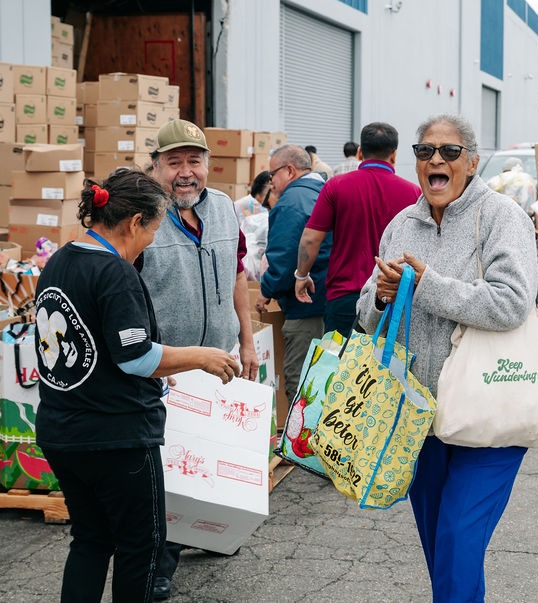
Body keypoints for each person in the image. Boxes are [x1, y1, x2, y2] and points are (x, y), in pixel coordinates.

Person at [34, 169, 241, 603]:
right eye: (152, 229)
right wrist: (200, 356)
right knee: (141, 547)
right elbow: (136, 357)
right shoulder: (115, 273)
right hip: (116, 437)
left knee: (90, 539)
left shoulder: (60, 259)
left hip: (61, 431)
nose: (151, 240)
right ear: (133, 223)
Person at [357, 114, 538, 602]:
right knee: (441, 546)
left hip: (489, 412)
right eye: (424, 151)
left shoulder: (501, 217)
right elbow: (367, 311)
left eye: (449, 152)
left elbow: (512, 303)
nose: (435, 160)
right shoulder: (402, 224)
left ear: (472, 162)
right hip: (420, 415)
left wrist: (425, 285)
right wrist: (380, 298)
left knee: (458, 536)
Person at [140, 119, 260, 601]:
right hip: (167, 365)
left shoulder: (226, 209)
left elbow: (236, 277)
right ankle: (160, 560)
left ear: (208, 165)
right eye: (174, 163)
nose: (185, 173)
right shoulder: (141, 215)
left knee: (214, 455)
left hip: (221, 359)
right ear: (157, 168)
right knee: (169, 468)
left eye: (194, 161)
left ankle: (208, 531)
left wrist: (247, 340)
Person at [294, 122, 421, 337]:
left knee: (340, 366)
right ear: (394, 155)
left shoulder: (336, 186)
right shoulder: (413, 192)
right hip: (391, 296)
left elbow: (310, 239)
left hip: (343, 297)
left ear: (360, 152)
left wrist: (301, 275)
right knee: (386, 367)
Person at [257, 144, 332, 404]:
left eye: (272, 175)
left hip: (305, 306)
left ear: (289, 171)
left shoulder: (291, 202)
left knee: (301, 381)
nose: (271, 183)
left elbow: (285, 257)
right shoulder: (325, 191)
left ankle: (299, 445)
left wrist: (266, 291)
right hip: (331, 301)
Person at [235, 171, 274, 280]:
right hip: (247, 261)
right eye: (270, 190)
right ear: (260, 191)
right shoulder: (249, 206)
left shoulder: (261, 209)